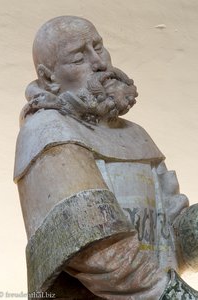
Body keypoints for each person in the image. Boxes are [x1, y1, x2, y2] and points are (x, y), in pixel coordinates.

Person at [14, 16, 198, 299]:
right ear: (49, 77)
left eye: (98, 47)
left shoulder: (135, 134)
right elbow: (94, 249)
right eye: (79, 57)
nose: (99, 62)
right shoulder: (47, 132)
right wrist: (172, 294)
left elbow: (169, 235)